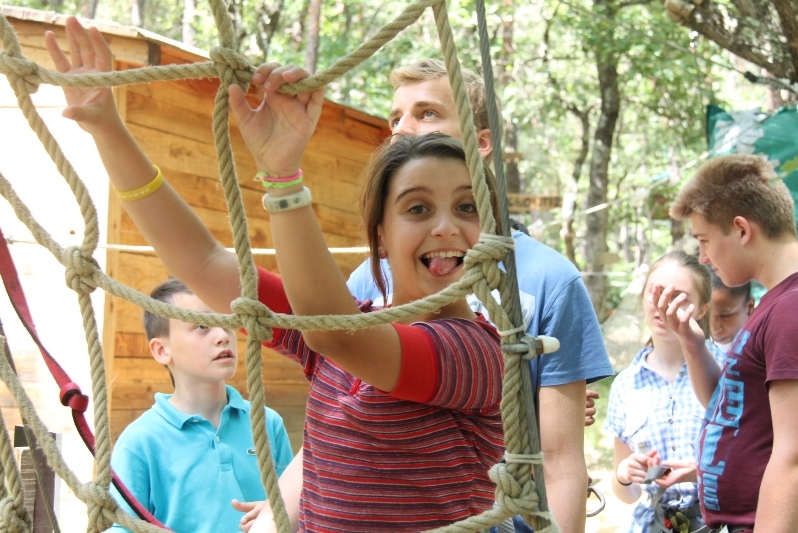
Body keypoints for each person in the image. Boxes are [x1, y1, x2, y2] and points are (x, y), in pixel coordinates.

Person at [47, 18, 507, 532]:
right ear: (380, 236)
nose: (446, 227)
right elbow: (202, 262)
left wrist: (284, 177)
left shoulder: (476, 352)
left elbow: (334, 332)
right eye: (417, 209)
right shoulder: (345, 333)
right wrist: (108, 130)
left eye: (467, 207)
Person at [345, 57, 613, 533]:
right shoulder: (370, 281)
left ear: (481, 142)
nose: (402, 129)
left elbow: (560, 460)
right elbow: (335, 419)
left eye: (427, 113)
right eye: (395, 118)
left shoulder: (549, 279)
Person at [656, 154, 798, 532]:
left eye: (704, 240)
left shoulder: (791, 309)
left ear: (741, 229)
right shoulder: (775, 304)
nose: (703, 258)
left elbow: (795, 457)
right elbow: (732, 407)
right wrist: (692, 343)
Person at [109, 278, 294, 533]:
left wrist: (277, 513)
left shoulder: (268, 423)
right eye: (202, 325)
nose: (222, 336)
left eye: (227, 322)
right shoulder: (140, 441)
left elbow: (298, 506)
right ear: (162, 350)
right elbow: (123, 527)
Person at [605, 251, 725, 533]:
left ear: (702, 309)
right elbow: (628, 494)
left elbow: (754, 466)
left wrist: (702, 473)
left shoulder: (728, 369)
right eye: (655, 293)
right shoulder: (626, 384)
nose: (663, 305)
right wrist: (624, 476)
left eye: (678, 297)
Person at [707, 268, 754, 352]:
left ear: (749, 307)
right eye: (706, 315)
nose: (714, 328)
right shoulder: (696, 344)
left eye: (725, 316)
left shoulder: (762, 348)